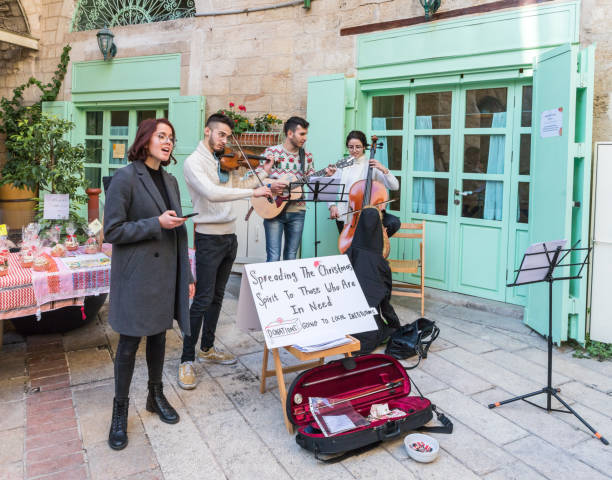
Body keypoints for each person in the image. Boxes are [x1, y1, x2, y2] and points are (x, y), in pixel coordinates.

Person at [104, 118, 195, 451]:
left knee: (159, 336)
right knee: (128, 345)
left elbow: (178, 231)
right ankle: (119, 411)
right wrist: (155, 223)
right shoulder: (125, 178)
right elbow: (112, 232)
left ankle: (155, 396)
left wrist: (188, 275)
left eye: (171, 137)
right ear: (145, 139)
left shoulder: (170, 180)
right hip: (136, 277)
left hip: (166, 274)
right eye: (162, 136)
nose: (168, 142)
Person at [178, 113, 275, 389]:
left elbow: (236, 186)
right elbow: (212, 193)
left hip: (228, 236)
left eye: (227, 137)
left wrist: (263, 174)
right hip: (208, 238)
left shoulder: (219, 160)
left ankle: (207, 348)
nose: (224, 141)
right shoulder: (193, 162)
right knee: (202, 299)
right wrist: (251, 194)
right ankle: (186, 359)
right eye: (221, 134)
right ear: (207, 131)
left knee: (218, 297)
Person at [262, 116, 334, 262]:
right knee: (273, 256)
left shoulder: (306, 156)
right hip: (273, 208)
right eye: (302, 134)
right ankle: (274, 286)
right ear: (290, 134)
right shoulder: (271, 152)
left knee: (291, 256)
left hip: (297, 211)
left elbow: (312, 183)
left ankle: (288, 285)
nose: (305, 138)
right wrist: (271, 185)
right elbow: (256, 178)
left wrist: (325, 175)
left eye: (306, 134)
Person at [328, 130, 401, 237]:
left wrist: (384, 170)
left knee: (393, 223)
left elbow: (395, 186)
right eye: (351, 147)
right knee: (348, 249)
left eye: (358, 146)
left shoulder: (371, 165)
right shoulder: (342, 164)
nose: (354, 150)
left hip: (368, 213)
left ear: (364, 147)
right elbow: (330, 187)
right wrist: (332, 206)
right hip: (344, 213)